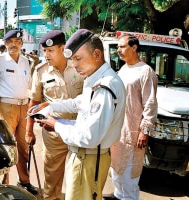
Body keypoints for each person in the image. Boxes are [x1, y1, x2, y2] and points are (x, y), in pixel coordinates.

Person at [30, 29, 126, 200]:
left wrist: (56, 125)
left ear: (97, 54)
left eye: (78, 59)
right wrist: (51, 106)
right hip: (86, 156)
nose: (74, 65)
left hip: (88, 157)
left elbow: (89, 137)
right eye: (72, 59)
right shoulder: (95, 78)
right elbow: (79, 102)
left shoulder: (104, 86)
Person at [26, 30, 84, 200]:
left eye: (50, 51)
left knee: (79, 177)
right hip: (54, 133)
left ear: (63, 48)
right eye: (44, 51)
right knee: (52, 178)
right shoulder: (41, 71)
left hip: (80, 131)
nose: (46, 55)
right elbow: (34, 102)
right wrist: (29, 131)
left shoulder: (79, 66)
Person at [0, 29, 38, 195]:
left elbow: (29, 86)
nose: (14, 45)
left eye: (17, 42)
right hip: (6, 107)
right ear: (5, 44)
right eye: (10, 42)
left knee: (23, 147)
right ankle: (4, 183)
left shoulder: (26, 61)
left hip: (24, 107)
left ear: (21, 44)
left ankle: (24, 181)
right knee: (5, 147)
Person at [106, 34, 158, 200]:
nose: (118, 51)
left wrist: (144, 131)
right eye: (118, 48)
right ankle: (118, 195)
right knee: (117, 171)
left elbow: (150, 104)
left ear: (134, 47)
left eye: (122, 47)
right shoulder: (123, 69)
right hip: (118, 131)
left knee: (129, 175)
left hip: (133, 132)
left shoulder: (146, 71)